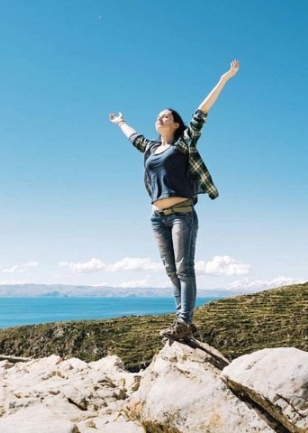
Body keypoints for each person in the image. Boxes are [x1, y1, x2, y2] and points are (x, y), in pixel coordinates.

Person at [109, 59, 240, 340]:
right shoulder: (151, 149)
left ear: (176, 123)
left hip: (182, 213)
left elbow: (201, 112)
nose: (160, 118)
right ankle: (182, 323)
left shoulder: (183, 144)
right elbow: (134, 138)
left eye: (166, 116)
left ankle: (184, 321)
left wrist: (224, 79)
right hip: (157, 218)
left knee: (184, 268)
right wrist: (120, 122)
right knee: (171, 271)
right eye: (158, 116)